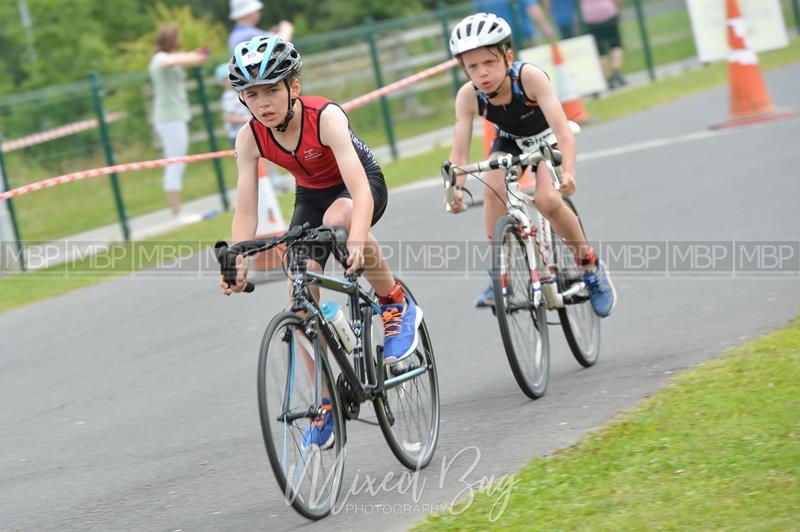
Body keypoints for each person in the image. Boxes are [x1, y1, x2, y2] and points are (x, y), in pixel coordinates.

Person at [219, 36, 423, 448]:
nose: (263, 103)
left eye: (272, 90)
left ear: (294, 87)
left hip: (360, 185)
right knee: (299, 302)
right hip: (311, 196)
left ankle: (395, 301)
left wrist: (358, 237)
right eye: (252, 94)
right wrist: (238, 258)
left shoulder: (325, 117)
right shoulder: (249, 138)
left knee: (341, 216)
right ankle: (327, 404)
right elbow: (245, 210)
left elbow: (359, 192)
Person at [443, 13, 616, 317]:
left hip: (547, 137)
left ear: (508, 57)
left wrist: (568, 172)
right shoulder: (468, 96)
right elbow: (459, 156)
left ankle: (590, 266)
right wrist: (455, 189)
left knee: (547, 200)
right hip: (510, 140)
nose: (482, 73)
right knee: (493, 188)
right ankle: (501, 276)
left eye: (489, 62)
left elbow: (563, 130)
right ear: (463, 68)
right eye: (473, 66)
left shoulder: (530, 78)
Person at [148, 24, 209, 219]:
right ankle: (177, 213)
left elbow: (182, 59)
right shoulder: (160, 59)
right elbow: (172, 61)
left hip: (174, 117)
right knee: (175, 163)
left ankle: (177, 212)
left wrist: (195, 55)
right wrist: (194, 57)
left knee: (177, 162)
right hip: (170, 119)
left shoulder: (167, 58)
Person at [579, 0, 626, 88]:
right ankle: (616, 73)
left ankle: (608, 79)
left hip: (590, 16)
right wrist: (618, 9)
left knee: (600, 51)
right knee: (616, 45)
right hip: (607, 12)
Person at [227, 0, 293, 54]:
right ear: (249, 12)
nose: (259, 13)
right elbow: (281, 42)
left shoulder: (235, 34)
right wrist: (286, 28)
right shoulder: (248, 34)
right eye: (257, 10)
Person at [474, 0, 555, 43]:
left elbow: (480, 18)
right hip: (524, 37)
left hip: (500, 41)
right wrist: (545, 28)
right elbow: (532, 8)